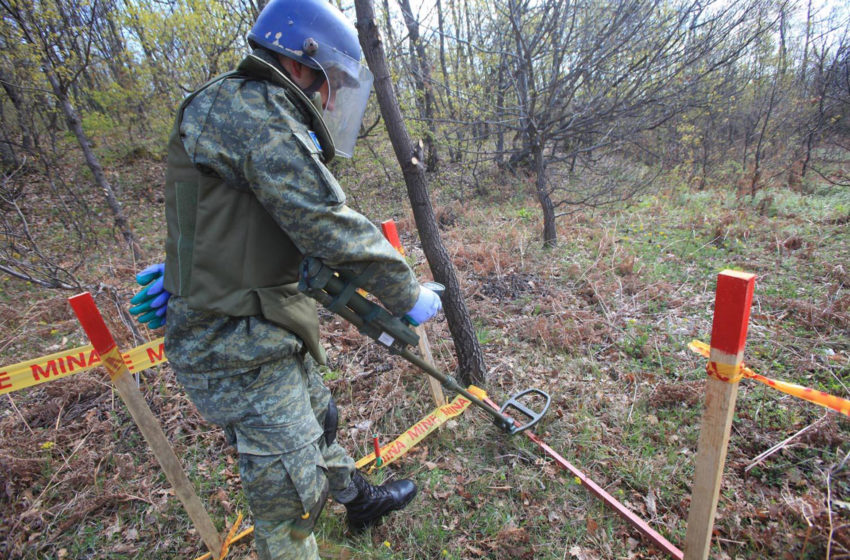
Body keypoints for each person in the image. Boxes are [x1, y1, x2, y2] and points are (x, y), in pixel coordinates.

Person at [129, 0, 442, 558]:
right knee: (290, 502)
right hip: (235, 342)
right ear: (302, 61)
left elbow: (218, 209)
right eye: (330, 83)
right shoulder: (256, 112)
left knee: (318, 421)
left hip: (263, 320)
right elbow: (325, 223)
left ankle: (359, 500)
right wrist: (406, 292)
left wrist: (193, 263)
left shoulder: (233, 104)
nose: (329, 98)